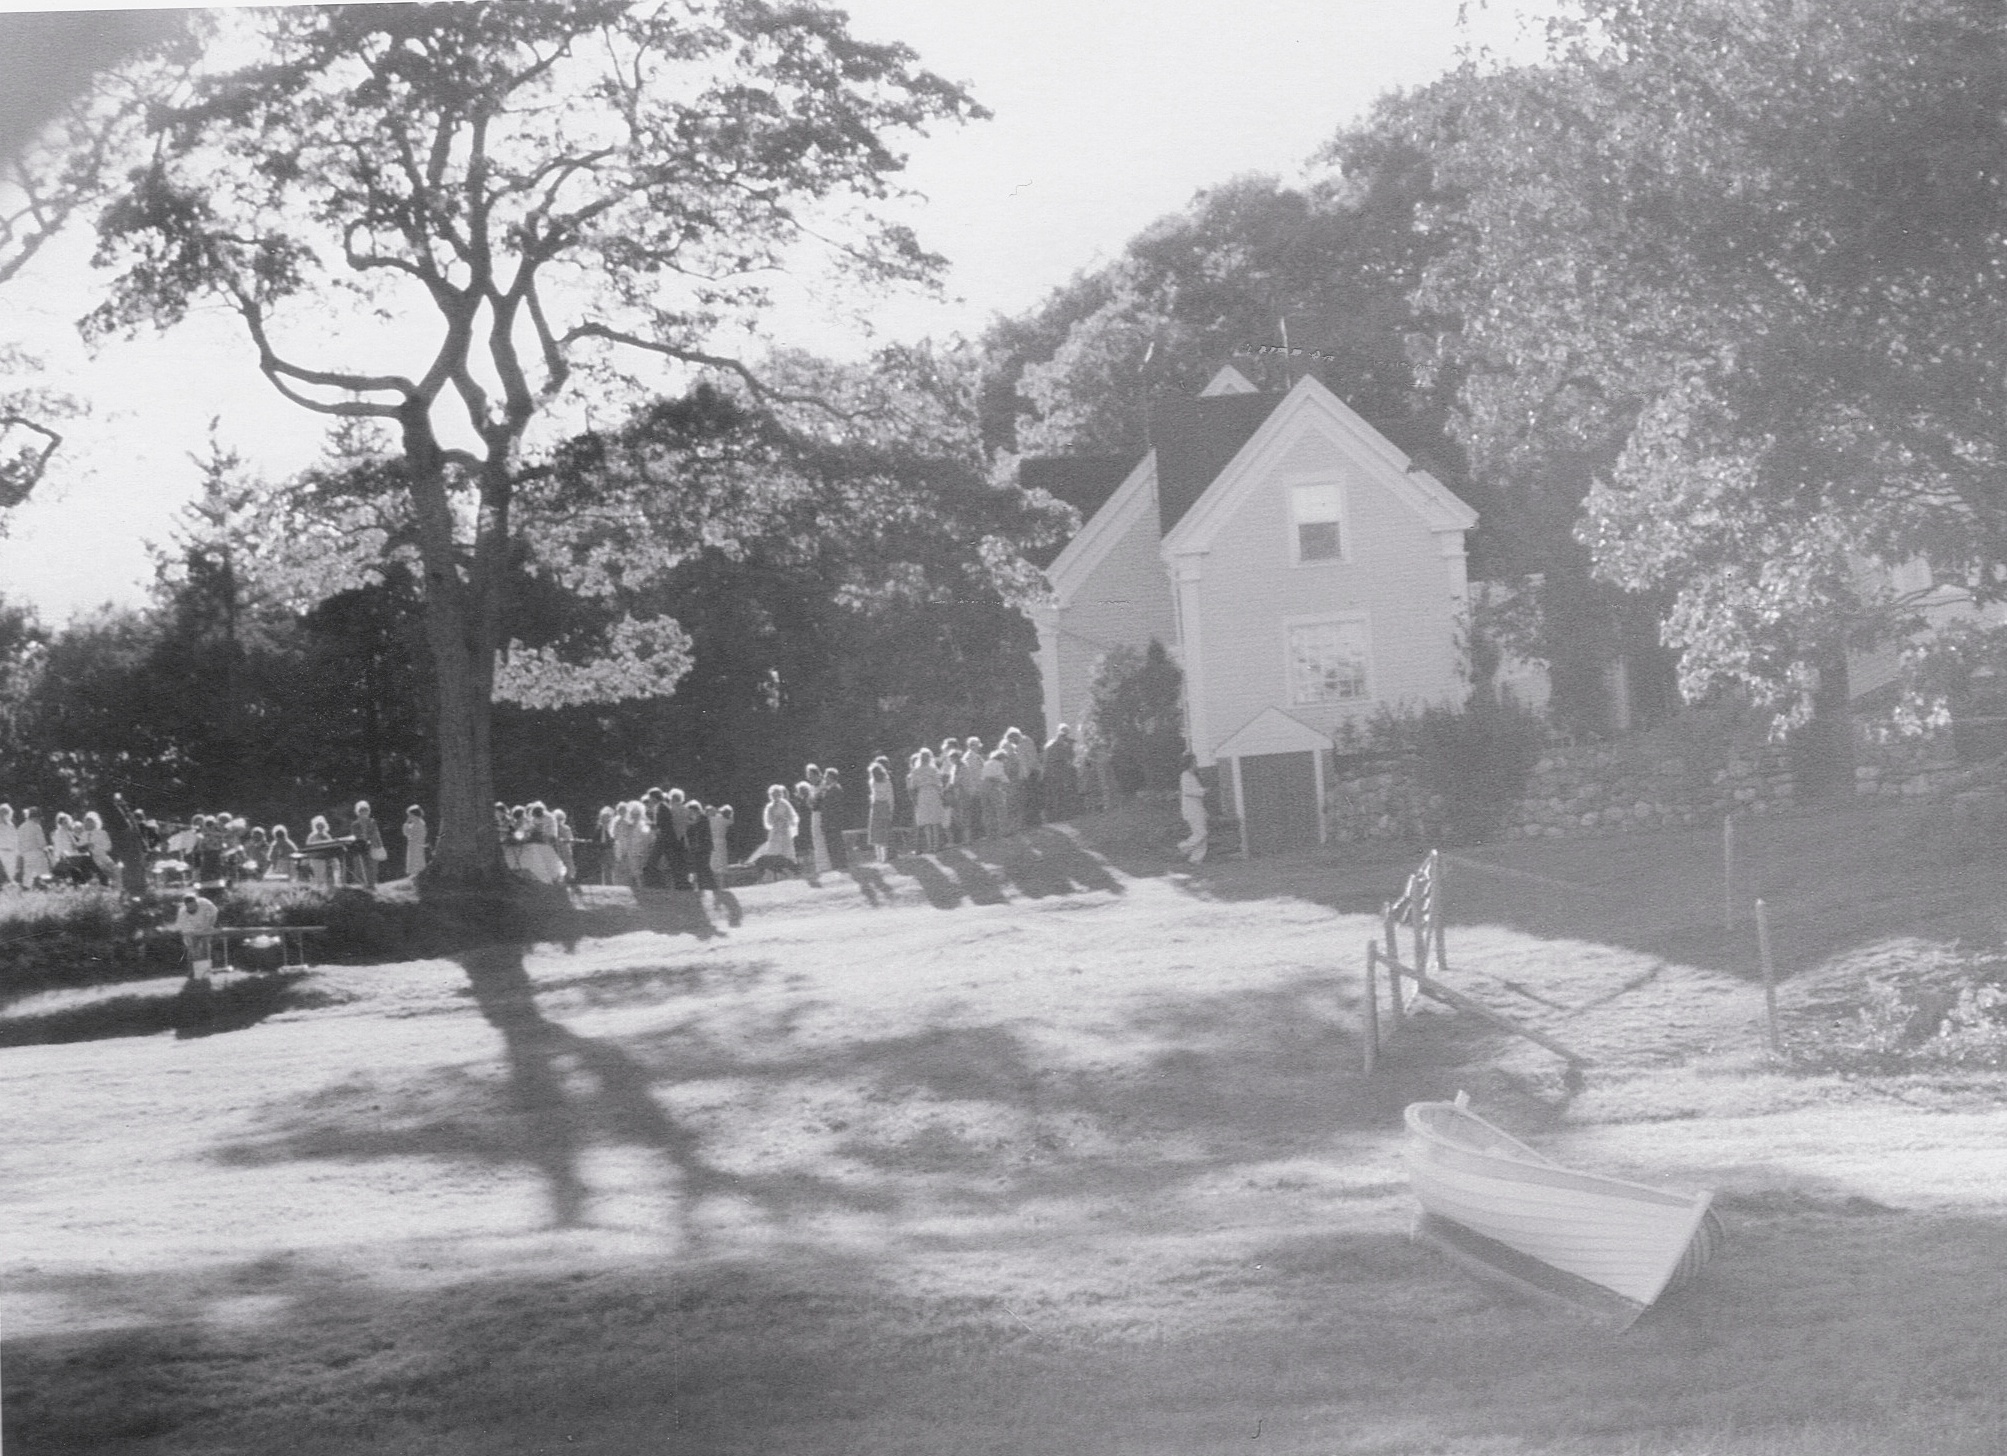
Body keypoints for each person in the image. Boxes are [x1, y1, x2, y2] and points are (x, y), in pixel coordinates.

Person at [173, 890, 220, 980]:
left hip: (205, 928)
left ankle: (206, 972)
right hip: (191, 931)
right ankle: (192, 972)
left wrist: (211, 924)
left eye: (194, 905)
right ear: (186, 906)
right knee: (192, 951)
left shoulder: (205, 903)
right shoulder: (182, 912)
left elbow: (215, 911)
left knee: (206, 948)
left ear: (196, 902)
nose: (192, 908)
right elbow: (183, 929)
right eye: (189, 907)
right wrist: (189, 941)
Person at [757, 783, 800, 878]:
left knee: (787, 851)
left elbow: (792, 817)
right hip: (775, 833)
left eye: (777, 794)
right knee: (774, 852)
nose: (775, 796)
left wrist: (785, 820)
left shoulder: (785, 804)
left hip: (785, 831)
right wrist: (774, 820)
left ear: (780, 794)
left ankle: (792, 871)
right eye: (773, 794)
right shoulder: (769, 807)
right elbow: (768, 822)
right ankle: (777, 874)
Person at [908, 747, 945, 853]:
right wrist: (941, 795)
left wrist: (914, 799)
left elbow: (912, 786)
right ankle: (936, 845)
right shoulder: (933, 769)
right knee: (935, 821)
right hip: (933, 793)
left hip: (922, 794)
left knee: (927, 822)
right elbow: (939, 784)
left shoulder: (916, 771)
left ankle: (930, 845)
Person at [1043, 724, 1080, 821]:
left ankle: (1059, 815)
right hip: (1055, 773)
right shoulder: (1054, 745)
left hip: (1057, 773)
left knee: (1059, 794)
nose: (1065, 737)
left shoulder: (1054, 744)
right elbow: (1066, 758)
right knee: (1057, 794)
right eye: (1064, 735)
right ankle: (1056, 816)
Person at [1177, 752, 1209, 864]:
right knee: (1201, 833)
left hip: (1198, 809)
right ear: (1190, 763)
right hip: (1191, 810)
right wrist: (1203, 791)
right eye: (1195, 762)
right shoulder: (1185, 775)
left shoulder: (1192, 776)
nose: (1197, 764)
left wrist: (1204, 810)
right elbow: (1187, 791)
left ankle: (1196, 859)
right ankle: (1184, 846)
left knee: (1202, 835)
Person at [955, 737, 985, 842]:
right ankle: (976, 835)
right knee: (975, 812)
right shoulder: (970, 757)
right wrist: (974, 788)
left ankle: (978, 834)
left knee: (977, 811)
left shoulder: (975, 756)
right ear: (972, 746)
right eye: (977, 745)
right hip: (973, 788)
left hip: (977, 787)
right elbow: (973, 774)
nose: (979, 747)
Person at [350, 801, 386, 889]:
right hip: (361, 847)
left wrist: (380, 845)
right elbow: (354, 836)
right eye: (361, 810)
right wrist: (363, 839)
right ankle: (362, 885)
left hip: (372, 846)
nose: (364, 812)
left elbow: (376, 834)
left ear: (368, 811)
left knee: (373, 866)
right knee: (360, 866)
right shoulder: (355, 824)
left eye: (365, 810)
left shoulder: (372, 822)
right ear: (358, 812)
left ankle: (372, 884)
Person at [866, 759, 895, 862]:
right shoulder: (887, 782)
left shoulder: (872, 782)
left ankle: (879, 857)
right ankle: (884, 857)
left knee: (876, 833)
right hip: (884, 806)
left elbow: (873, 796)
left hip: (876, 807)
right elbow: (890, 797)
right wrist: (891, 809)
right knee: (884, 832)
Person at [82, 810, 117, 885]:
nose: (88, 824)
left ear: (95, 822)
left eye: (90, 821)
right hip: (94, 859)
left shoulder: (103, 833)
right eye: (87, 822)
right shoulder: (85, 835)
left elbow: (109, 847)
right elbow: (85, 849)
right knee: (103, 872)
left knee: (115, 870)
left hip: (104, 857)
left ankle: (116, 886)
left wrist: (98, 846)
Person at [16, 808, 49, 886]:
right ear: (35, 817)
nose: (39, 820)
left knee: (28, 873)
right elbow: (42, 842)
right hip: (37, 852)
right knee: (43, 873)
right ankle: (44, 887)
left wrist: (21, 854)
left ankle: (26, 887)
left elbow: (18, 842)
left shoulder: (21, 827)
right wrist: (45, 850)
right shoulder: (36, 826)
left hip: (26, 854)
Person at [305, 815, 336, 886]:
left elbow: (331, 847)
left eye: (321, 825)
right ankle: (317, 888)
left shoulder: (327, 836)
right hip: (315, 859)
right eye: (318, 825)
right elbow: (308, 848)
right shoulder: (312, 836)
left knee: (324, 876)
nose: (319, 827)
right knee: (316, 875)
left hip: (325, 859)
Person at [403, 806, 428, 879]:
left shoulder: (420, 823)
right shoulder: (414, 823)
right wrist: (406, 824)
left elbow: (422, 834)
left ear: (415, 815)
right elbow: (406, 833)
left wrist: (417, 840)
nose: (409, 817)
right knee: (412, 859)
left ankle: (418, 874)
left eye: (410, 815)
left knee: (417, 859)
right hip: (413, 845)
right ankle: (414, 874)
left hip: (417, 844)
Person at [0, 804, 16, 889]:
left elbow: (15, 838)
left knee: (11, 872)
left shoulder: (11, 825)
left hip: (11, 851)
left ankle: (10, 887)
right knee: (3, 871)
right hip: (1, 851)